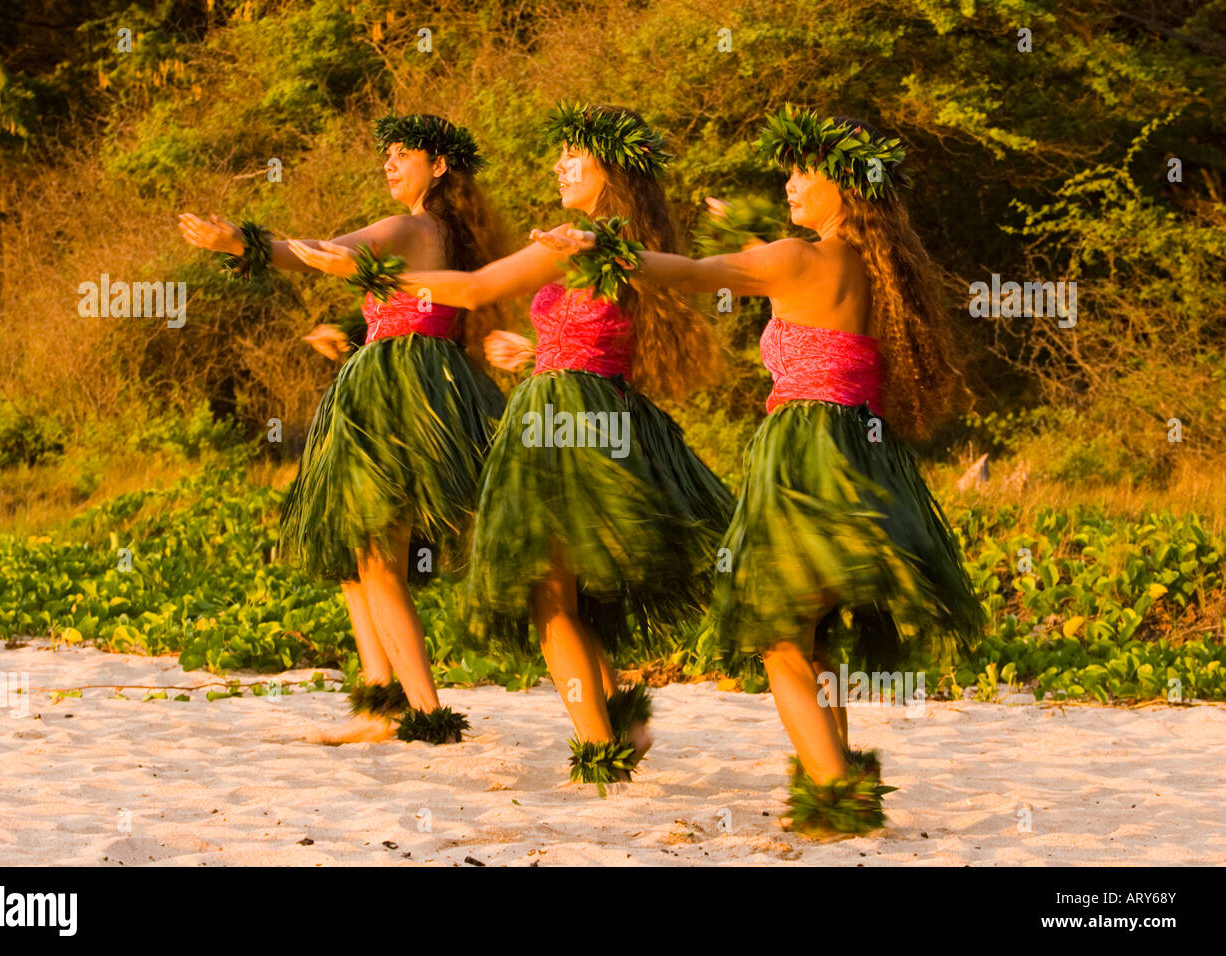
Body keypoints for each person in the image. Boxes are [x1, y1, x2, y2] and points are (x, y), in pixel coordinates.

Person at [539, 106, 983, 830]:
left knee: (780, 637)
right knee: (820, 631)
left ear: (846, 184)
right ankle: (842, 781)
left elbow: (690, 272)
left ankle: (839, 802)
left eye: (804, 172)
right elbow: (749, 261)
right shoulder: (871, 266)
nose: (791, 183)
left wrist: (601, 247)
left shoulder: (797, 256)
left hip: (804, 453)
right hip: (867, 451)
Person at [293, 103, 734, 790]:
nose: (559, 165)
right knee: (565, 590)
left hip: (569, 424)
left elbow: (472, 290)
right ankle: (613, 728)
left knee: (551, 591)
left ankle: (601, 748)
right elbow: (603, 330)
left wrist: (372, 278)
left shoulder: (591, 243)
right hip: (578, 405)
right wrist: (538, 353)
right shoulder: (612, 246)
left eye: (574, 158)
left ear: (610, 172)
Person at [179, 113, 506, 744]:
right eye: (385, 153)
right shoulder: (445, 231)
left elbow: (326, 252)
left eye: (403, 153)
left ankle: (426, 715)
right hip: (414, 378)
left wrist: (240, 245)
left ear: (438, 166)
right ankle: (379, 705)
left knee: (378, 562)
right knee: (358, 563)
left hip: (396, 392)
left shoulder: (412, 225)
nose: (388, 163)